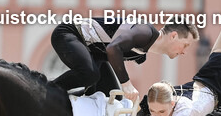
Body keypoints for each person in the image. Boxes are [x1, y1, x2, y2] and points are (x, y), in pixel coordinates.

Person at [50, 12, 197, 100]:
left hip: (92, 51)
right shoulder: (145, 32)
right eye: (185, 45)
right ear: (173, 36)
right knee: (90, 74)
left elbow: (106, 53)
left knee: (113, 97)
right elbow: (113, 49)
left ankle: (65, 100)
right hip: (69, 33)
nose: (184, 52)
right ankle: (46, 89)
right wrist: (127, 85)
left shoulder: (141, 52)